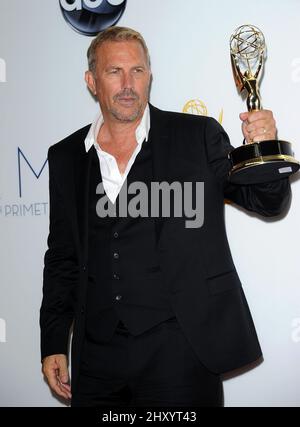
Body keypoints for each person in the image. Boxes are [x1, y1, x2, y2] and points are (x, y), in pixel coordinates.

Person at [40, 26, 291, 407]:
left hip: (182, 350)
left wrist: (265, 148)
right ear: (92, 81)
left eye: (137, 71)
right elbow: (61, 258)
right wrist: (54, 340)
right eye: (114, 72)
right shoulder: (66, 157)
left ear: (149, 76)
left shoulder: (197, 136)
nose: (128, 84)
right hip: (97, 359)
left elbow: (268, 202)